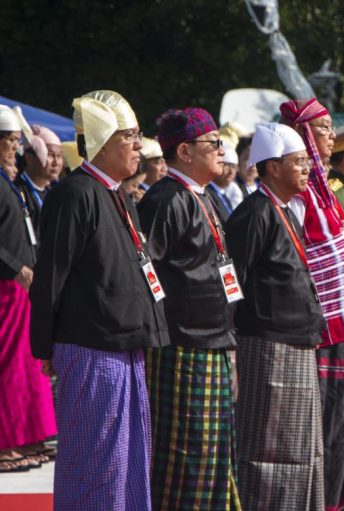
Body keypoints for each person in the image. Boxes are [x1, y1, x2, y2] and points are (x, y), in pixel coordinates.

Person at [30, 90, 170, 510]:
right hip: (90, 346)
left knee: (129, 460)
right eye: (130, 136)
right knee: (95, 463)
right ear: (105, 142)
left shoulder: (117, 194)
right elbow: (51, 275)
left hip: (125, 345)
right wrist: (45, 344)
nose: (138, 147)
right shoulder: (75, 194)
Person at [280, 99, 344, 511]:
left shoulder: (323, 184)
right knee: (331, 417)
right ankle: (327, 500)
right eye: (321, 128)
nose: (330, 135)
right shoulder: (305, 188)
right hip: (326, 320)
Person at [138, 107, 240, 510]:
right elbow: (145, 271)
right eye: (213, 143)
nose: (222, 149)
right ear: (184, 150)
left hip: (213, 340)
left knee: (215, 452)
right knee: (187, 452)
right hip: (181, 346)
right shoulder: (165, 199)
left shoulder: (203, 196)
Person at [226, 123, 327, 511]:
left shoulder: (285, 210)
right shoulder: (254, 214)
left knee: (301, 444)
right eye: (298, 162)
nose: (307, 169)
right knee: (267, 443)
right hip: (266, 347)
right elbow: (234, 283)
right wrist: (232, 345)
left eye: (306, 161)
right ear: (271, 168)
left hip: (298, 341)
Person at [0, 105, 57, 474]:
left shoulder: (6, 180)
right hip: (6, 284)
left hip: (19, 286)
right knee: (6, 365)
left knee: (25, 364)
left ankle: (25, 435)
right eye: (11, 141)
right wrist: (14, 266)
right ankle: (5, 443)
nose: (16, 148)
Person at [15, 124, 63, 236]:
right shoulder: (16, 190)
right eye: (50, 155)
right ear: (29, 158)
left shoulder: (52, 193)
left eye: (60, 156)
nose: (56, 163)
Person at [206, 145, 239, 222]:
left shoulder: (224, 194)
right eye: (227, 166)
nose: (231, 172)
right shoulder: (207, 193)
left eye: (234, 167)